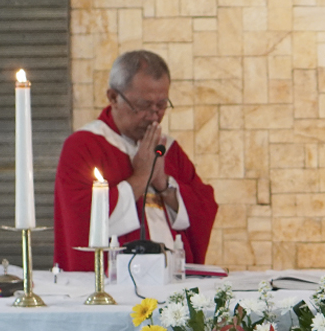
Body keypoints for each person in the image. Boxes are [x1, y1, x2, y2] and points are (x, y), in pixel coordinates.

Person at [53, 50, 218, 271]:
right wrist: (140, 177)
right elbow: (81, 220)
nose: (153, 115)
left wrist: (164, 184)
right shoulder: (83, 146)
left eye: (161, 105)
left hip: (173, 279)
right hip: (114, 282)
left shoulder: (168, 149)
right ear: (113, 97)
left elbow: (203, 208)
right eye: (143, 105)